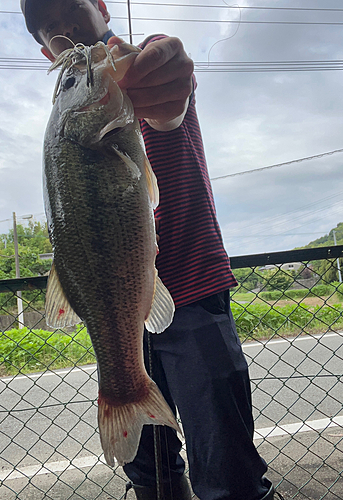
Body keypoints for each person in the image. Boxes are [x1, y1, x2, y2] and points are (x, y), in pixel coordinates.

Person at [21, 2, 280, 499]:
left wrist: (164, 83)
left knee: (228, 472)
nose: (64, 29)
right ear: (42, 50)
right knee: (152, 475)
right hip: (119, 313)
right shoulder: (71, 115)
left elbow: (168, 101)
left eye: (71, 9)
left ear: (100, 7)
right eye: (49, 29)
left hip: (194, 285)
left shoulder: (138, 62)